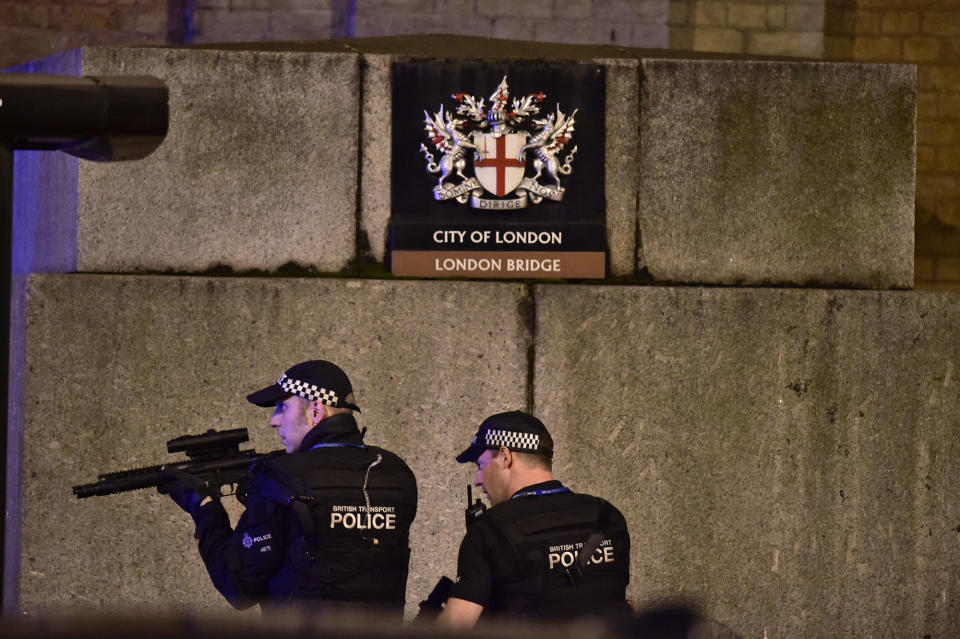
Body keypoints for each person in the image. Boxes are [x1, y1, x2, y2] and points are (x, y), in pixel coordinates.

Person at [157, 360, 418, 616]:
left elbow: (237, 587)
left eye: (283, 406)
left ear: (316, 411)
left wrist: (204, 508)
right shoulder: (397, 473)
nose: (274, 420)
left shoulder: (281, 477)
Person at [437, 410, 631, 629]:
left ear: (505, 456)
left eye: (481, 466)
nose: (478, 480)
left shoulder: (489, 529)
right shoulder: (608, 516)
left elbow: (452, 628)